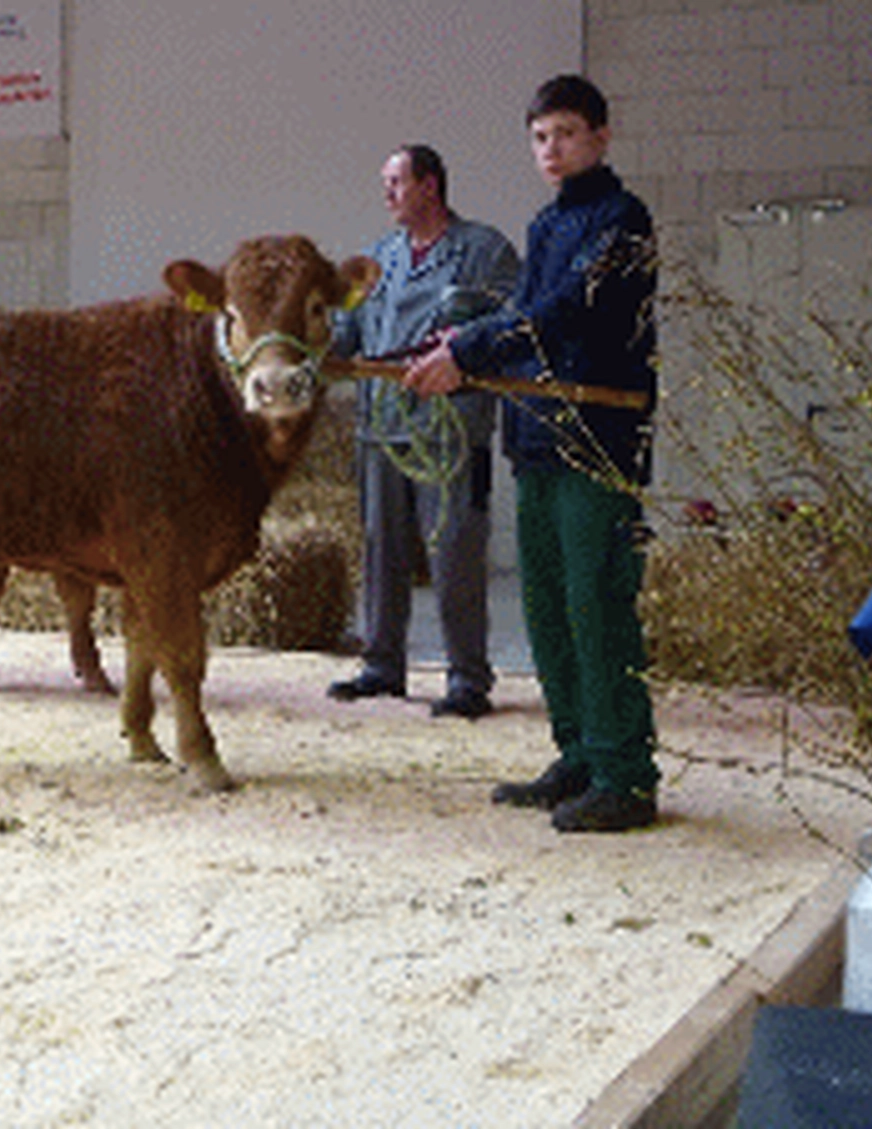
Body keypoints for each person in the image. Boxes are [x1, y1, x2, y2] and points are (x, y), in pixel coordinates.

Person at [404, 74, 660, 833]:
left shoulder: (624, 220)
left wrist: (477, 342)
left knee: (597, 604)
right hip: (540, 438)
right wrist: (459, 350)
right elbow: (522, 320)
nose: (552, 149)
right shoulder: (546, 225)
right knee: (548, 608)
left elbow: (567, 311)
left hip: (598, 440)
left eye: (568, 134)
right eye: (541, 138)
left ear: (601, 137)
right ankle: (578, 752)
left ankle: (626, 773)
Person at [327, 145, 520, 720]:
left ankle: (467, 680)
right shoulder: (378, 259)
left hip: (452, 432)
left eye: (396, 182)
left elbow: (512, 325)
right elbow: (348, 334)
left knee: (454, 549)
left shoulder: (485, 252)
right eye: (384, 183)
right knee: (381, 547)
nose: (387, 194)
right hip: (382, 428)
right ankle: (381, 664)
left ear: (430, 186)